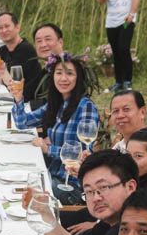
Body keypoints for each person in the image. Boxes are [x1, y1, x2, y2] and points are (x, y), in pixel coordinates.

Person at [10, 54, 100, 205]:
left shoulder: (86, 107)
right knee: (17, 179)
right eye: (59, 73)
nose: (63, 78)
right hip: (52, 175)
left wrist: (47, 149)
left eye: (69, 73)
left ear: (79, 78)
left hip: (72, 186)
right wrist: (19, 97)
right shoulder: (56, 104)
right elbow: (22, 123)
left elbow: (84, 155)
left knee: (26, 191)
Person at [96, 0, 142, 92]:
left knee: (124, 48)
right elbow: (100, 0)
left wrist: (131, 14)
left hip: (126, 19)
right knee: (115, 51)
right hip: (111, 21)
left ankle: (127, 81)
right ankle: (118, 82)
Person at [109, 89, 147, 182]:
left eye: (126, 109)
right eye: (115, 111)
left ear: (142, 112)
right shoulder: (117, 147)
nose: (120, 115)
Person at [0, 12, 42, 100]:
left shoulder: (25, 49)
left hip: (29, 102)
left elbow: (14, 83)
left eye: (7, 26)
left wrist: (2, 75)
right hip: (14, 97)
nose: (4, 30)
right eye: (0, 28)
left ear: (17, 27)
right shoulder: (3, 50)